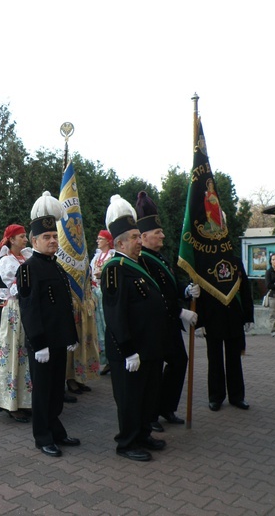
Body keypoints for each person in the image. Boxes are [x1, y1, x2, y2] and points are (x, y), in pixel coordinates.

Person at [101, 195, 168, 462]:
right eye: (134, 237)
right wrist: (128, 350)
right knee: (130, 398)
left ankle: (142, 434)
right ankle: (127, 442)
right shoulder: (115, 268)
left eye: (139, 236)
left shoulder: (137, 264)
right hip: (130, 349)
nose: (139, 241)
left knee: (147, 395)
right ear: (119, 242)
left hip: (148, 346)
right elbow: (116, 314)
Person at [17, 191, 81, 458]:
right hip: (42, 342)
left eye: (55, 236)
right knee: (43, 392)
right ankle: (42, 436)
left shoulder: (56, 266)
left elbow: (63, 306)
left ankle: (56, 429)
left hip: (58, 339)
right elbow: (29, 310)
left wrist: (70, 335)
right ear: (34, 241)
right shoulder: (28, 269)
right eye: (47, 237)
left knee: (56, 389)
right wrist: (39, 342)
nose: (53, 241)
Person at [135, 191, 199, 432]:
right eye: (157, 232)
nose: (162, 234)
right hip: (155, 326)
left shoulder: (159, 257)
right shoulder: (142, 261)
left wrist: (185, 290)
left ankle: (166, 407)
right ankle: (151, 414)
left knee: (179, 361)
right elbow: (156, 295)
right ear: (143, 236)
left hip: (169, 323)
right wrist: (181, 312)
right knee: (153, 371)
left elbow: (170, 285)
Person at [197, 255, 254, 412]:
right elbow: (198, 291)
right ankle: (215, 397)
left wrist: (249, 315)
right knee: (214, 359)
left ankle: (237, 397)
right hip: (212, 318)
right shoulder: (203, 261)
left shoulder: (234, 260)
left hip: (233, 316)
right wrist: (199, 322)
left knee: (234, 359)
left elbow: (244, 287)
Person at [0, 224, 33, 423]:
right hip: (11, 311)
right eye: (22, 237)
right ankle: (10, 403)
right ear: (12, 240)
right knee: (11, 354)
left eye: (25, 236)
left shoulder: (27, 256)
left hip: (24, 310)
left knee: (24, 354)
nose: (25, 240)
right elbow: (17, 287)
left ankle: (25, 400)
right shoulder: (6, 261)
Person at [91, 230, 115, 376]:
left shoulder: (112, 255)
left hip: (106, 293)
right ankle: (106, 360)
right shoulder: (97, 256)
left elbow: (113, 272)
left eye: (100, 239)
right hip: (96, 293)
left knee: (108, 324)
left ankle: (113, 359)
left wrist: (104, 273)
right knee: (99, 327)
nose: (97, 241)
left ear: (107, 241)